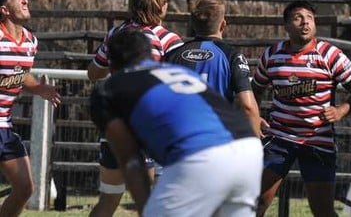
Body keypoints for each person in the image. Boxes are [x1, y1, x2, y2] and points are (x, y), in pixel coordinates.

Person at [90, 28, 262, 217]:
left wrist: (146, 210)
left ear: (112, 65)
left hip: (199, 155)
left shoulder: (109, 90)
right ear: (149, 53)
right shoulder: (180, 72)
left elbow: (130, 160)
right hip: (247, 149)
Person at [253, 0, 351, 217]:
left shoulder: (330, 54)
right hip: (280, 138)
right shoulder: (271, 55)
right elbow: (254, 91)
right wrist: (256, 117)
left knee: (322, 211)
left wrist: (341, 110)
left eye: (310, 18)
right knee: (256, 203)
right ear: (286, 25)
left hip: (317, 140)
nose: (305, 22)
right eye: (298, 18)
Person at [87, 0, 183, 217]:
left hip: (115, 127)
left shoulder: (116, 33)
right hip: (147, 128)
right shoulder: (168, 40)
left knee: (108, 201)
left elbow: (93, 72)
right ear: (161, 6)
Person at [0, 0, 61, 217]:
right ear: (5, 9)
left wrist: (38, 88)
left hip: (5, 125)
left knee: (25, 188)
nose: (25, 1)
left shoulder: (30, 42)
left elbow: (21, 74)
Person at [165, 0, 261, 136]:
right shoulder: (232, 56)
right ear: (223, 24)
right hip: (217, 139)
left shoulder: (172, 55)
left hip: (180, 137)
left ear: (192, 24)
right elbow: (248, 107)